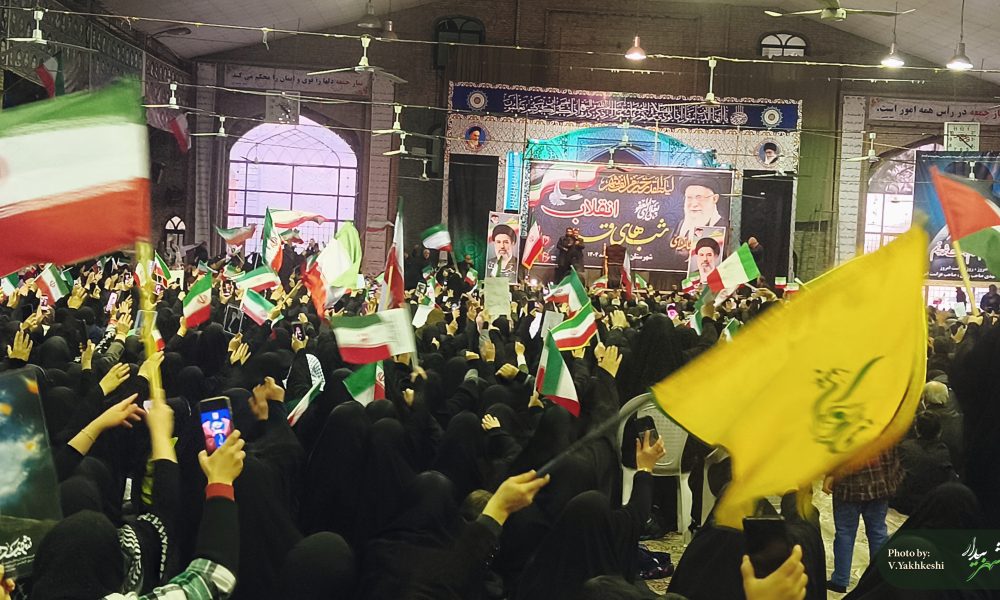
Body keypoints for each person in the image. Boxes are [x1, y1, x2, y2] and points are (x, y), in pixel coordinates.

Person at [823, 449, 902, 594]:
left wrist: (831, 475)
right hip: (879, 487)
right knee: (878, 533)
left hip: (848, 488)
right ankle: (878, 578)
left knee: (845, 534)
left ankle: (840, 580)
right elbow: (894, 459)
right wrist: (891, 483)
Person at [892, 411, 958, 515]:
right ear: (940, 432)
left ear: (916, 429)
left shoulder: (905, 447)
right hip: (932, 503)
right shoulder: (943, 451)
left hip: (904, 502)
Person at [675, 180, 724, 244]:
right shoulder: (680, 225)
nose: (694, 204)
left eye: (699, 198)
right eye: (689, 198)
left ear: (714, 199)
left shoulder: (721, 227)